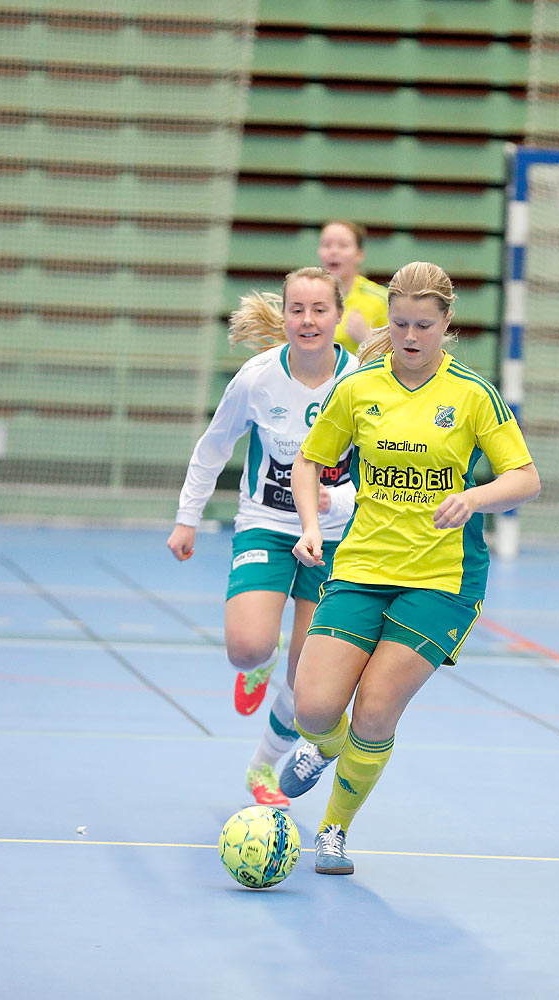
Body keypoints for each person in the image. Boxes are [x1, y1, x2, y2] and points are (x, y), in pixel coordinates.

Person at [280, 261, 541, 875]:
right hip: (364, 564)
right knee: (313, 707)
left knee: (375, 708)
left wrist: (474, 497)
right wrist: (313, 527)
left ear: (447, 324)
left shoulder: (473, 395)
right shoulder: (359, 388)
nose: (410, 336)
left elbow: (526, 478)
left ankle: (334, 830)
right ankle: (328, 748)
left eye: (424, 325)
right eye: (400, 324)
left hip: (441, 581)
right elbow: (310, 462)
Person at [166, 266, 359, 807]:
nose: (308, 320)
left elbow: (379, 471)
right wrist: (188, 518)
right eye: (297, 309)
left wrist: (335, 501)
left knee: (311, 680)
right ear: (284, 316)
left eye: (320, 309)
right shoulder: (257, 377)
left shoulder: (363, 382)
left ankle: (262, 768)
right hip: (267, 524)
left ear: (338, 316)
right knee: (247, 649)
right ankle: (262, 663)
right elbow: (213, 446)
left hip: (336, 535)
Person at [317, 219, 389, 351]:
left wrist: (366, 339)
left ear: (359, 254)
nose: (333, 251)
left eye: (343, 245)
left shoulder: (381, 300)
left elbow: (398, 360)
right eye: (326, 245)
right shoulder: (306, 299)